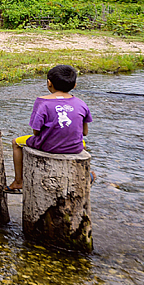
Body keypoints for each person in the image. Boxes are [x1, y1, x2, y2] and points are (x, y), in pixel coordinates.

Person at [7, 64, 92, 193]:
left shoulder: (42, 102)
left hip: (48, 146)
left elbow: (36, 132)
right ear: (74, 85)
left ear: (49, 83)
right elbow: (84, 132)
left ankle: (19, 181)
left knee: (16, 142)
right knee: (82, 144)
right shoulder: (81, 103)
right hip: (75, 147)